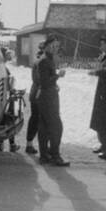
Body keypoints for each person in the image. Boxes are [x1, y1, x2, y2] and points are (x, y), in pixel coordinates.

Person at [33, 36, 68, 166]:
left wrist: (54, 81)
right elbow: (45, 82)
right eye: (53, 46)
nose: (55, 48)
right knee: (56, 127)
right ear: (47, 46)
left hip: (46, 96)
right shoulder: (44, 61)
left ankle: (44, 155)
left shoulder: (47, 59)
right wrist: (58, 76)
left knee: (44, 126)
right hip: (47, 97)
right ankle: (54, 155)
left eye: (57, 46)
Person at [24, 44, 43, 154]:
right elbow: (39, 80)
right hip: (38, 95)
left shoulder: (38, 61)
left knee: (35, 119)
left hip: (35, 94)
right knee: (36, 119)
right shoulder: (40, 62)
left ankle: (30, 144)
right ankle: (29, 144)